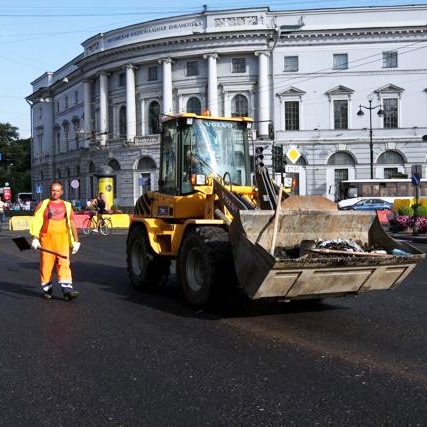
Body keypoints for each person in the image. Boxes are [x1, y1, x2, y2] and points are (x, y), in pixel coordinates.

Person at [29, 181, 81, 300]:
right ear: (50, 191)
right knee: (46, 265)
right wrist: (35, 238)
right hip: (47, 239)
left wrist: (76, 241)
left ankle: (67, 291)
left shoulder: (67, 205)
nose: (55, 193)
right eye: (53, 190)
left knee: (64, 263)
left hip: (63, 239)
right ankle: (47, 289)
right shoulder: (43, 204)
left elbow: (72, 222)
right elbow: (36, 222)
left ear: (61, 192)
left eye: (57, 191)